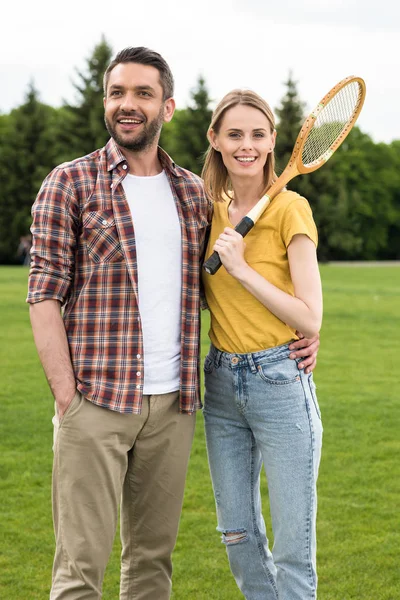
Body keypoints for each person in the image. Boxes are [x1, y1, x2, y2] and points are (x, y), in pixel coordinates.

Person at [27, 47, 319, 599]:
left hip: (175, 407)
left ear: (169, 107)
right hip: (95, 400)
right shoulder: (69, 184)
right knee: (79, 570)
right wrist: (67, 396)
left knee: (152, 565)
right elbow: (43, 293)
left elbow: (225, 293)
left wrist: (305, 332)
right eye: (117, 93)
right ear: (106, 102)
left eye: (143, 94)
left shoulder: (192, 195)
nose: (128, 105)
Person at [201, 89, 323, 599]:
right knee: (238, 536)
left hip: (279, 381)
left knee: (294, 547)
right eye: (234, 134)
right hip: (221, 385)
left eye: (257, 134)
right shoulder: (207, 208)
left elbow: (310, 316)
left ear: (274, 141)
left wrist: (243, 269)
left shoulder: (291, 208)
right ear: (215, 140)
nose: (246, 145)